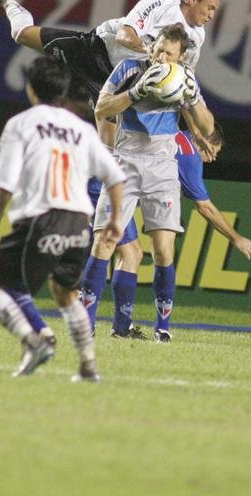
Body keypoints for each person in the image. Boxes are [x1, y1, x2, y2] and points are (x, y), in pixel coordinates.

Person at [0, 57, 126, 382]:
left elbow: (5, 181)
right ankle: (88, 365)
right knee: (65, 293)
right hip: (79, 223)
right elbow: (115, 176)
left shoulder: (22, 124)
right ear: (62, 90)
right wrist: (115, 220)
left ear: (31, 88)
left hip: (42, 219)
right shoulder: (82, 129)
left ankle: (34, 341)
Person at [79, 23, 214, 343]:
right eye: (158, 50)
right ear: (152, 47)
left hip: (163, 170)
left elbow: (208, 126)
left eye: (169, 54)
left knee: (164, 251)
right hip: (124, 164)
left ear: (180, 58)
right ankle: (86, 324)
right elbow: (102, 108)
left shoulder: (184, 79)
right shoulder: (129, 69)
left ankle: (162, 328)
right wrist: (135, 92)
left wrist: (193, 97)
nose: (161, 57)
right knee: (104, 242)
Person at [83, 124, 251, 340]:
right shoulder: (188, 155)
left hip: (100, 178)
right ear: (205, 141)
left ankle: (120, 328)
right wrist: (236, 238)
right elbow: (205, 207)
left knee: (131, 253)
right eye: (215, 151)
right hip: (103, 186)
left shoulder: (172, 133)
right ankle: (104, 324)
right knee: (128, 252)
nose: (213, 158)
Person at [0, 0, 223, 100]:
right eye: (210, 7)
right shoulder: (160, 4)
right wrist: (154, 52)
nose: (212, 15)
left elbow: (185, 77)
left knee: (111, 138)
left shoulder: (197, 37)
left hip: (120, 81)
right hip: (96, 51)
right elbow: (124, 35)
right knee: (22, 35)